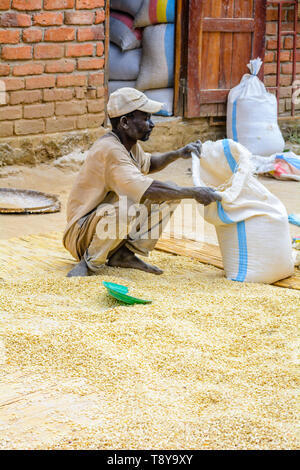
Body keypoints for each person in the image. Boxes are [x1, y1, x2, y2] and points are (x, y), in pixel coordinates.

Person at [63, 88, 221, 277]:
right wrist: (194, 192)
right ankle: (90, 263)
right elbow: (150, 190)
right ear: (124, 122)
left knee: (168, 195)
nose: (151, 124)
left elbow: (149, 163)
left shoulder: (129, 145)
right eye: (146, 119)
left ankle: (123, 253)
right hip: (80, 234)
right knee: (129, 205)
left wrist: (178, 153)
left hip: (100, 226)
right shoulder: (111, 151)